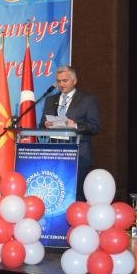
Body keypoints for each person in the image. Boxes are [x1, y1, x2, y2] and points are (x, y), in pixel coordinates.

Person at [39, 65, 100, 200]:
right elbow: (41, 125)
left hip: (78, 155)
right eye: (59, 81)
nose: (61, 84)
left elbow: (94, 127)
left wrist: (75, 125)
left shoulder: (87, 100)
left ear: (74, 81)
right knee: (54, 192)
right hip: (53, 154)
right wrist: (45, 124)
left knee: (76, 195)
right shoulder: (50, 100)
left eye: (65, 81)